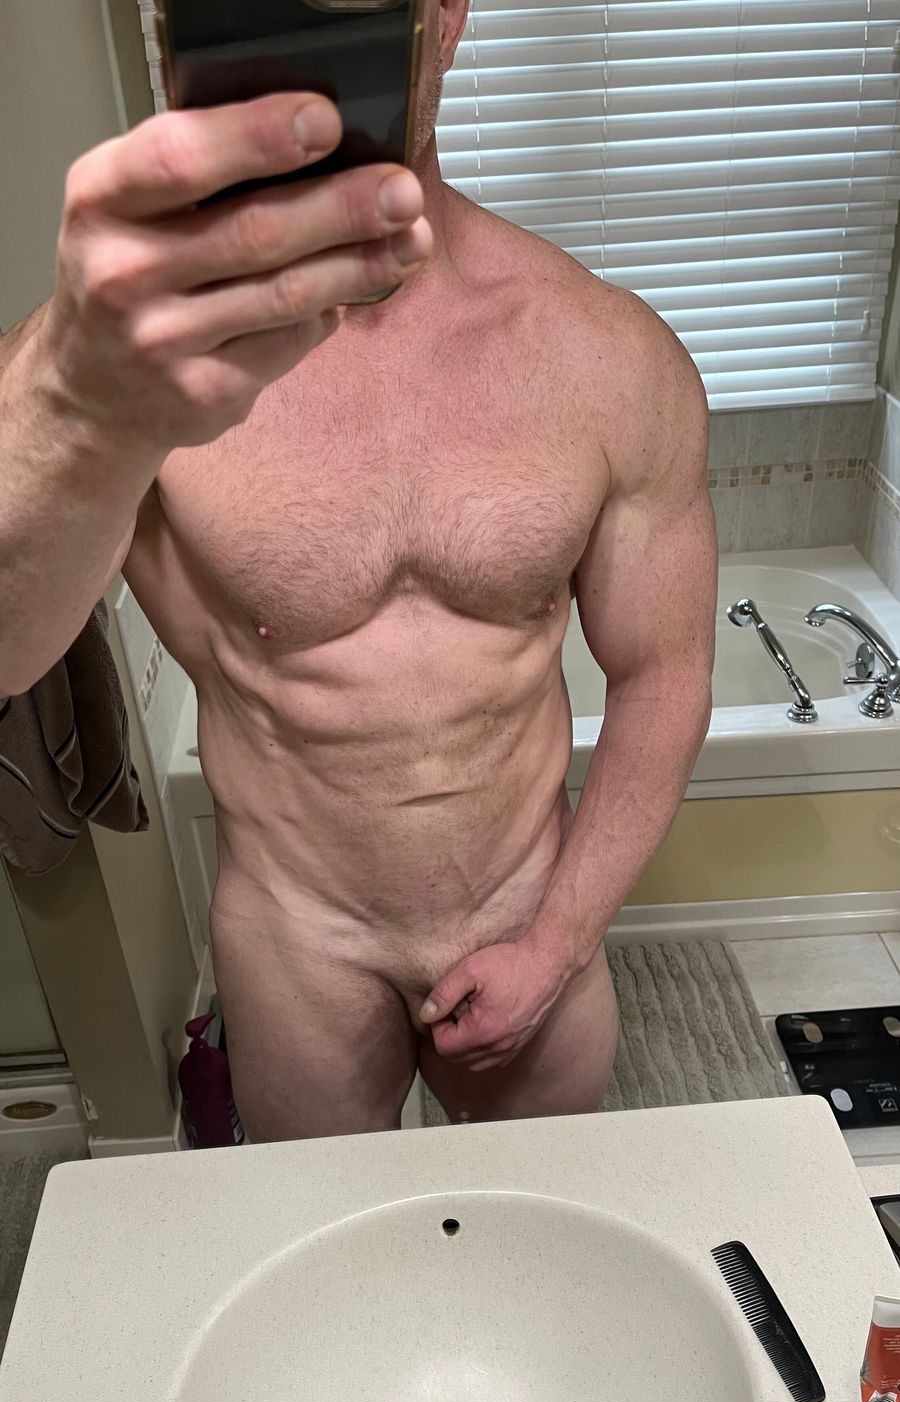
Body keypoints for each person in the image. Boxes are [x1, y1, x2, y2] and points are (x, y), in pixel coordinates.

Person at [0, 0, 717, 1141]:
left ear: (446, 17)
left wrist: (559, 939)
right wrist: (61, 387)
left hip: (529, 899)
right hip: (300, 935)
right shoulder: (136, 368)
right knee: (329, 1234)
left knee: (535, 1218)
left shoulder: (601, 352)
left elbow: (665, 674)